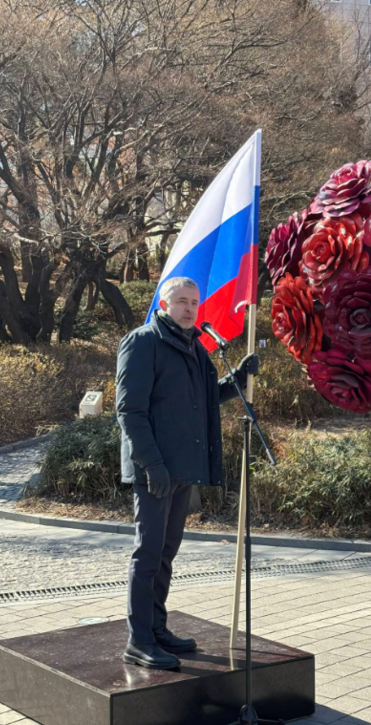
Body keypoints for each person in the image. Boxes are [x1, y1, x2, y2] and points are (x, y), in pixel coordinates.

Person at [116, 276, 259, 669]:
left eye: (194, 302)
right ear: (164, 304)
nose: (189, 308)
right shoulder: (143, 342)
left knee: (166, 554)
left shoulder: (196, 346)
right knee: (147, 554)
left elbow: (205, 400)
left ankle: (157, 627)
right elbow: (130, 411)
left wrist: (238, 379)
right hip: (154, 470)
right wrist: (153, 465)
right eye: (181, 301)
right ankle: (139, 639)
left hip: (181, 469)